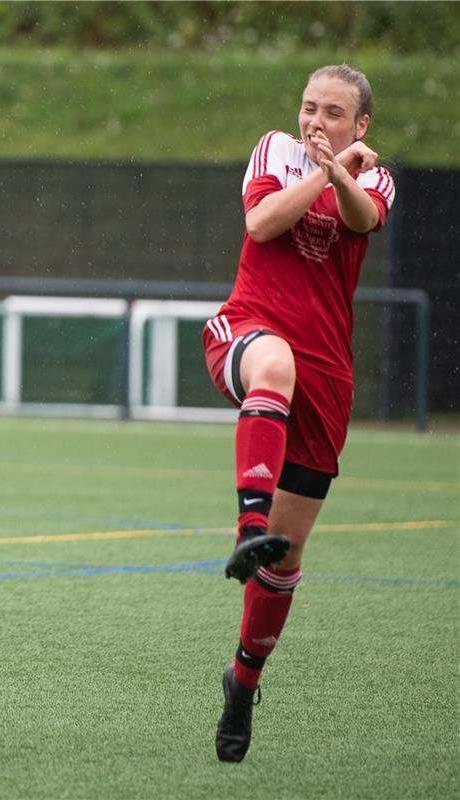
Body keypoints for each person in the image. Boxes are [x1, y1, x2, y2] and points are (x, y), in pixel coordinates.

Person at [201, 65, 395, 763]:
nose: (315, 121)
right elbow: (261, 221)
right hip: (246, 331)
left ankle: (241, 680)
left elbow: (361, 218)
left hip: (326, 378)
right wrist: (320, 166)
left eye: (332, 113)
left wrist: (341, 173)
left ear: (360, 124)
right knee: (274, 363)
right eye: (309, 108)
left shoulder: (373, 176)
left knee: (283, 562)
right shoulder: (274, 150)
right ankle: (246, 520)